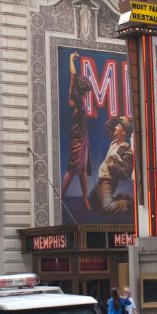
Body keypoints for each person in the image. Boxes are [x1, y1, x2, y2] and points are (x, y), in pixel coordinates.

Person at [60, 51, 91, 211]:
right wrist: (70, 58)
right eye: (86, 90)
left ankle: (85, 199)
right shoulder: (74, 99)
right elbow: (73, 76)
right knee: (73, 169)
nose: (87, 93)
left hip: (83, 136)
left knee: (84, 168)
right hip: (77, 137)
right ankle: (60, 197)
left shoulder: (82, 100)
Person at [89, 116, 134, 215]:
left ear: (124, 132)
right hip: (100, 180)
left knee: (108, 208)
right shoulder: (114, 142)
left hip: (108, 182)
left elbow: (127, 170)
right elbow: (108, 125)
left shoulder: (127, 150)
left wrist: (113, 166)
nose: (115, 127)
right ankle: (118, 197)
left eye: (118, 126)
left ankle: (128, 203)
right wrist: (118, 119)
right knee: (93, 204)